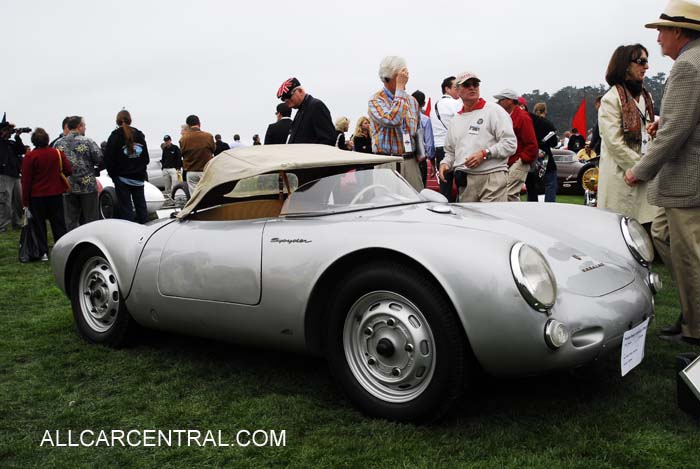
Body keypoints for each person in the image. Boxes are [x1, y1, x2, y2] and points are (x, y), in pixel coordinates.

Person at [624, 0, 700, 345]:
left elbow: (676, 131)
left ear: (678, 31)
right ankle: (691, 312)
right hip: (685, 178)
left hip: (689, 177)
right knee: (662, 234)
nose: (658, 40)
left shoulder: (688, 66)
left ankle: (696, 330)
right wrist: (663, 123)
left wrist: (640, 170)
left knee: (688, 253)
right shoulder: (692, 62)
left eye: (661, 31)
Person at [598, 43, 659, 227]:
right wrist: (642, 168)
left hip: (642, 177)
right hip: (622, 180)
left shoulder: (647, 98)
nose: (646, 67)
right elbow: (614, 143)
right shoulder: (610, 99)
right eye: (641, 61)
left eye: (647, 62)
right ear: (625, 65)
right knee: (620, 237)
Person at [439, 72, 516, 202]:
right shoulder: (456, 119)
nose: (472, 87)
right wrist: (445, 163)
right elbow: (450, 151)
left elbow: (510, 144)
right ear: (457, 91)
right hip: (466, 181)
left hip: (492, 177)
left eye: (475, 84)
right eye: (467, 85)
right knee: (469, 221)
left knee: (492, 220)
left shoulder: (494, 110)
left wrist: (484, 153)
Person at [367, 56, 423, 191]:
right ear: (388, 77)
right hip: (387, 162)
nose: (405, 78)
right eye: (401, 75)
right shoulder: (375, 100)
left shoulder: (412, 101)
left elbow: (418, 130)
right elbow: (393, 119)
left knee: (416, 205)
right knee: (388, 205)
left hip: (410, 161)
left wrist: (421, 153)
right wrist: (399, 89)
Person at [21, 128, 72, 257]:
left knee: (39, 225)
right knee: (58, 224)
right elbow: (68, 170)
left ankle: (43, 252)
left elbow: (26, 181)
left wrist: (25, 202)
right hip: (55, 193)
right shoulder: (57, 153)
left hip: (37, 196)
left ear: (33, 141)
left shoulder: (30, 156)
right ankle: (62, 250)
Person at [53, 115, 102, 231]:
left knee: (70, 221)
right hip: (88, 186)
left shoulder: (58, 144)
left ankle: (73, 244)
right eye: (84, 125)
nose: (85, 128)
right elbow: (99, 158)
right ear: (79, 126)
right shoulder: (88, 141)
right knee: (92, 221)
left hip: (68, 186)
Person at [104, 110, 149, 224]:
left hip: (122, 179)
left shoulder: (114, 137)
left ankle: (130, 234)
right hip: (138, 178)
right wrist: (140, 171)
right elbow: (146, 159)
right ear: (130, 120)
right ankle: (146, 230)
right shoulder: (139, 135)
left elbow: (109, 159)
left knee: (126, 209)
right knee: (141, 207)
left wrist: (114, 176)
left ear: (117, 121)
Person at [494, 89, 538, 202]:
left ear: (509, 101)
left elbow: (532, 144)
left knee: (508, 193)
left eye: (501, 100)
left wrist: (522, 160)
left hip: (519, 161)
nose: (498, 103)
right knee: (509, 194)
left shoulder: (522, 117)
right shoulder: (508, 116)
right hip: (511, 161)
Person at [431, 76, 463, 201]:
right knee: (462, 184)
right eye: (456, 87)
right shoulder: (456, 104)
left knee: (445, 186)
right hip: (455, 148)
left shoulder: (435, 107)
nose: (459, 90)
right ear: (447, 89)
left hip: (440, 148)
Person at [277, 77, 335, 145]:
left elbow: (328, 138)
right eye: (284, 100)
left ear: (300, 91)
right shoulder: (301, 111)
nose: (287, 102)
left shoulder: (316, 106)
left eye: (288, 97)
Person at [527, 102, 558, 202]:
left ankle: (531, 206)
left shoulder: (529, 122)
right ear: (545, 111)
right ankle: (549, 206)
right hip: (545, 157)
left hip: (531, 155)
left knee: (532, 184)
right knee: (550, 183)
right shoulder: (548, 124)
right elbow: (554, 143)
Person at [0, 114, 27, 232]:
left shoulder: (11, 143)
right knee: (5, 200)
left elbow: (21, 150)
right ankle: (2, 225)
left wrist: (17, 137)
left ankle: (16, 223)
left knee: (18, 200)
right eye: (7, 130)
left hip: (16, 175)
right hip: (3, 174)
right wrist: (3, 134)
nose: (9, 132)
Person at [179, 114, 215, 195]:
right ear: (199, 124)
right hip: (206, 170)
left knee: (194, 196)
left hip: (191, 171)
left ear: (188, 125)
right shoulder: (208, 136)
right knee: (207, 194)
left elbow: (182, 153)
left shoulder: (183, 139)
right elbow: (213, 149)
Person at [411, 90, 435, 188]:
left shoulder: (404, 117)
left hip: (406, 158)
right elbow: (429, 144)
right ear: (424, 104)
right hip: (420, 159)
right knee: (420, 189)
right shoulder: (425, 119)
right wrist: (432, 162)